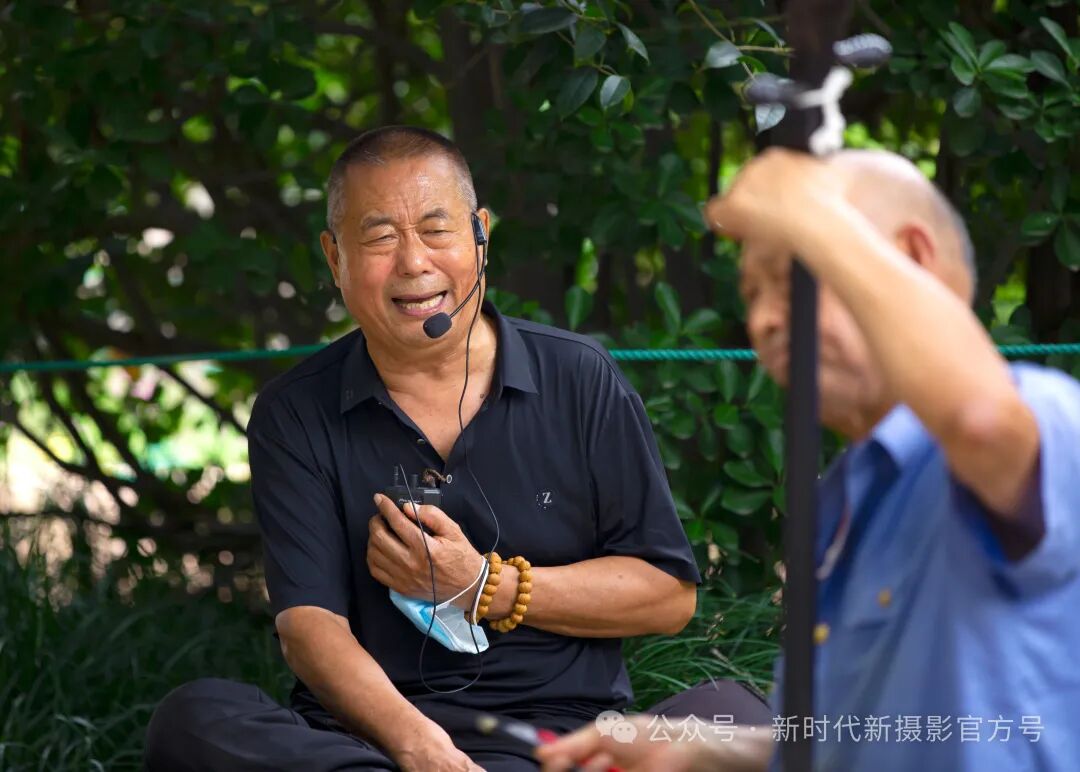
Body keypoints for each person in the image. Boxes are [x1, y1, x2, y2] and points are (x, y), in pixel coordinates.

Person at [143, 126, 771, 772]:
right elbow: (309, 628)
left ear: (480, 234)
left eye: (435, 229)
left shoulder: (579, 377)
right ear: (335, 258)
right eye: (380, 238)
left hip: (557, 740)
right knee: (196, 720)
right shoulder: (296, 410)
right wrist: (420, 748)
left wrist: (484, 586)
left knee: (739, 721)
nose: (414, 262)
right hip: (373, 747)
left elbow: (668, 595)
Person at [536, 148, 1080, 772]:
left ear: (911, 260)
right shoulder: (853, 492)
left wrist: (808, 207)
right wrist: (705, 746)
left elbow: (979, 420)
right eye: (752, 294)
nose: (766, 320)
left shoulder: (1042, 413)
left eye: (795, 280)